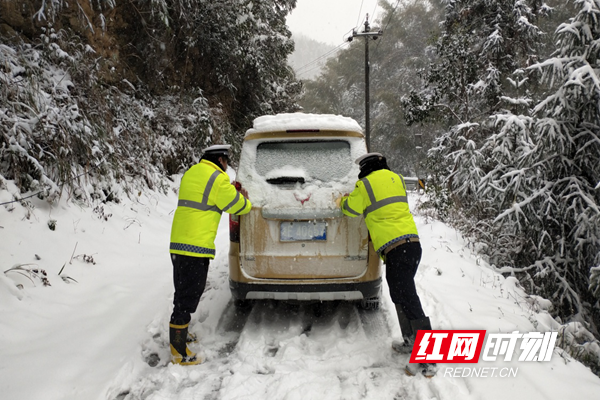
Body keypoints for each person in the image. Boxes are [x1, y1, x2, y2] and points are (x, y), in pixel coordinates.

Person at [338, 152, 436, 377]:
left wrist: (343, 200)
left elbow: (350, 210)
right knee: (400, 294)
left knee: (408, 297)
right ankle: (411, 341)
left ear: (365, 168)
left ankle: (428, 357)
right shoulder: (397, 179)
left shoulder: (364, 185)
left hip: (396, 248)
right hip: (411, 245)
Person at [168, 144, 251, 365]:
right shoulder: (218, 178)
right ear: (221, 160)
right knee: (187, 297)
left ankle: (181, 333)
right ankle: (178, 351)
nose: (227, 166)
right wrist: (244, 197)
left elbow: (208, 197)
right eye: (227, 161)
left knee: (183, 291)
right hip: (195, 246)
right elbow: (237, 206)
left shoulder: (192, 173)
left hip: (179, 242)